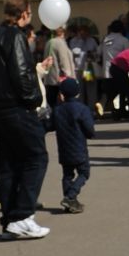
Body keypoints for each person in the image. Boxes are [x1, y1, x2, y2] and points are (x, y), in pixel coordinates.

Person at [0, 0, 50, 240]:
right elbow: (21, 74)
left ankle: (11, 220)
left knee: (8, 163)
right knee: (36, 158)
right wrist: (34, 100)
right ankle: (22, 215)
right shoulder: (14, 36)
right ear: (24, 13)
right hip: (16, 108)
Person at [47, 76, 96, 211]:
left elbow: (49, 126)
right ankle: (70, 196)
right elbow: (89, 129)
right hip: (79, 148)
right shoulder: (82, 109)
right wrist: (91, 134)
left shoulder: (57, 110)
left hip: (64, 149)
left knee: (67, 175)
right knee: (84, 173)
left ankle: (70, 202)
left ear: (62, 94)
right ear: (78, 92)